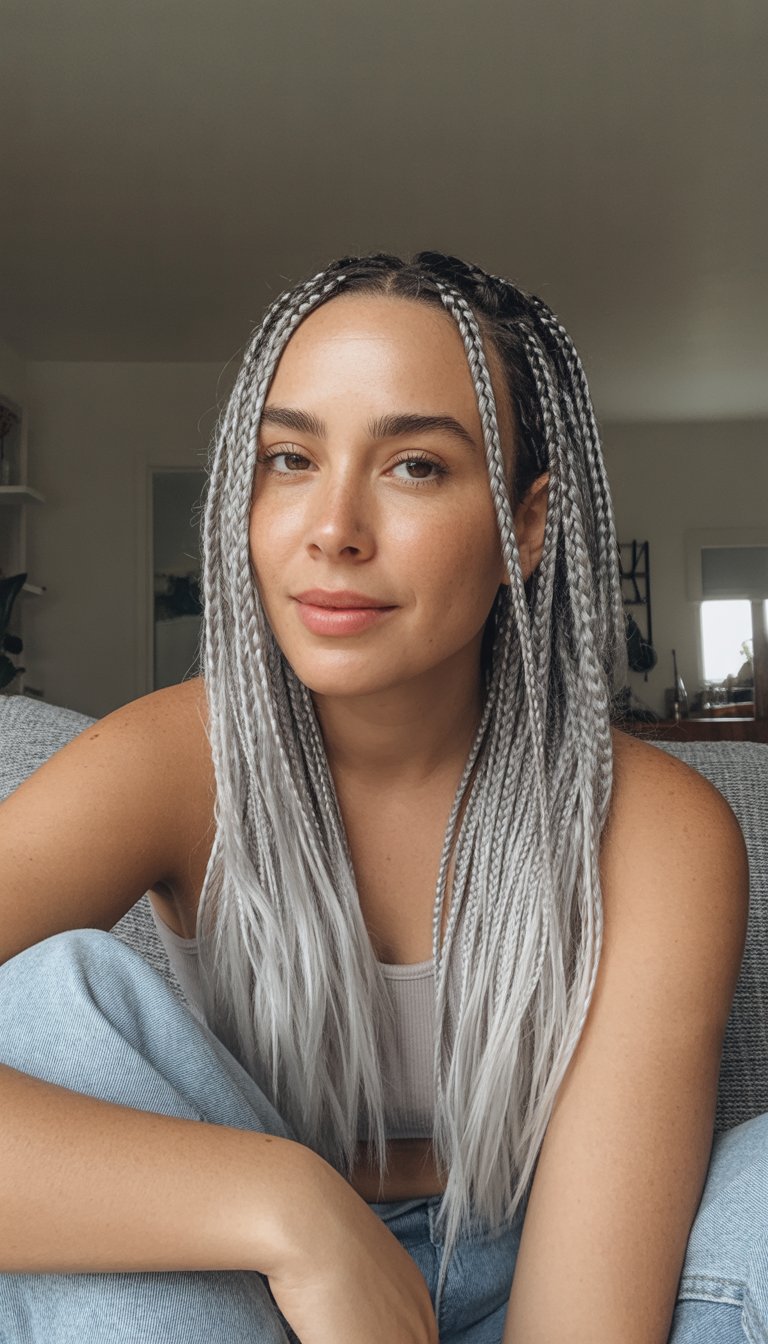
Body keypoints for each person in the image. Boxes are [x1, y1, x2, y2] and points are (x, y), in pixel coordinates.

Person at [0, 251, 760, 1344]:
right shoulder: (176, 758)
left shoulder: (656, 831)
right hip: (236, 1284)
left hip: (554, 1269)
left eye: (413, 466)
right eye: (290, 458)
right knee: (56, 999)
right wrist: (287, 1209)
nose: (332, 528)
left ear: (526, 526)